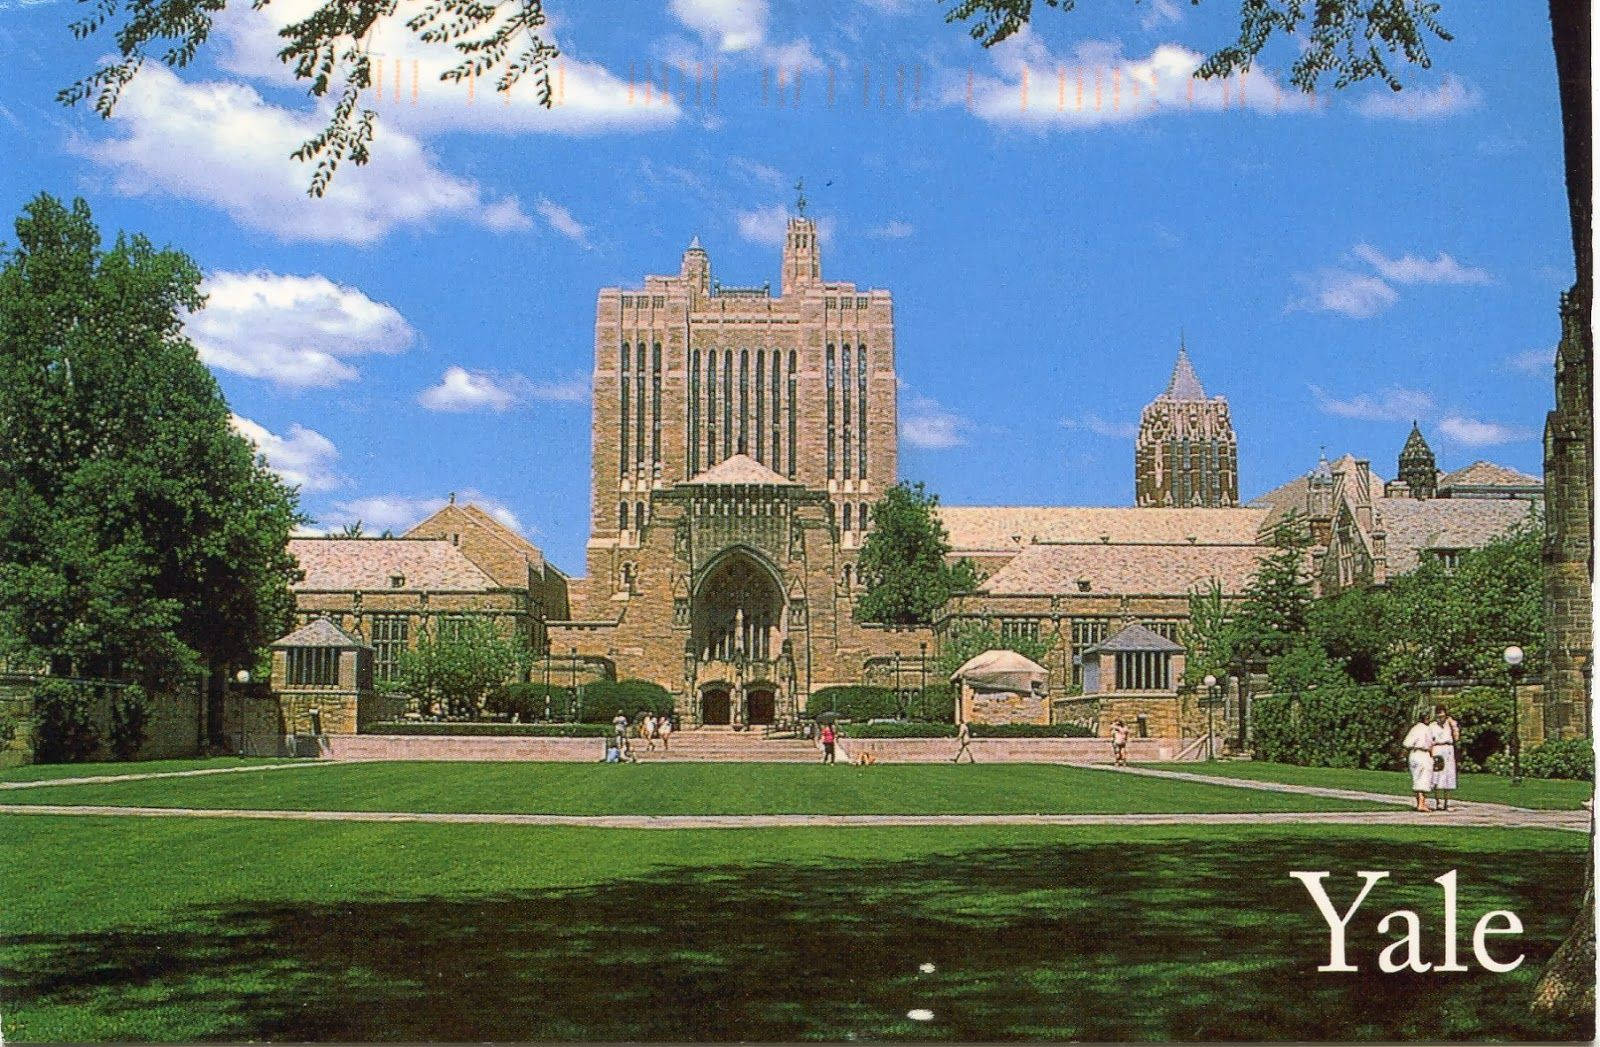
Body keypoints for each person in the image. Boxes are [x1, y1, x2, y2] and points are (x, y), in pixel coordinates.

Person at [1402, 709, 1435, 813]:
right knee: (1423, 778)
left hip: (1414, 754)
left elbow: (1407, 743)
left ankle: (1420, 803)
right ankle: (1421, 804)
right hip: (1423, 754)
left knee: (1417, 777)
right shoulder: (1427, 729)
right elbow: (1431, 744)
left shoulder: (1414, 728)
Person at [1430, 704, 1460, 811]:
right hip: (1438, 748)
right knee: (1437, 774)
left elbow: (1456, 738)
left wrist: (1453, 725)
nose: (1440, 718)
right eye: (1438, 715)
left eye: (1442, 715)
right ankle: (1438, 802)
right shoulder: (1432, 726)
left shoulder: (1450, 724)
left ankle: (1447, 803)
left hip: (1448, 749)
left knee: (1448, 774)